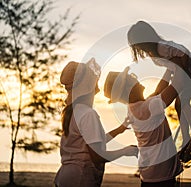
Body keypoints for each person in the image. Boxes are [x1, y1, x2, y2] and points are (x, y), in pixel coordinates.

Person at [54, 58, 138, 187]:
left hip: (65, 176)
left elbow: (93, 142)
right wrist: (126, 151)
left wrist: (120, 129)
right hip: (80, 178)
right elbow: (97, 156)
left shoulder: (73, 111)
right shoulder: (88, 114)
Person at [127, 20, 191, 160]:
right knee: (179, 105)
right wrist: (156, 94)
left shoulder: (161, 48)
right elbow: (169, 72)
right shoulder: (154, 52)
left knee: (182, 103)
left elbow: (182, 61)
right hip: (183, 71)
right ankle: (187, 137)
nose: (137, 48)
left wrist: (174, 84)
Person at [103, 67, 183, 187]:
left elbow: (157, 92)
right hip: (161, 175)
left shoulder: (136, 107)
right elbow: (176, 86)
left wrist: (169, 70)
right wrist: (179, 65)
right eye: (132, 79)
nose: (136, 79)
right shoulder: (147, 108)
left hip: (152, 174)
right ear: (129, 89)